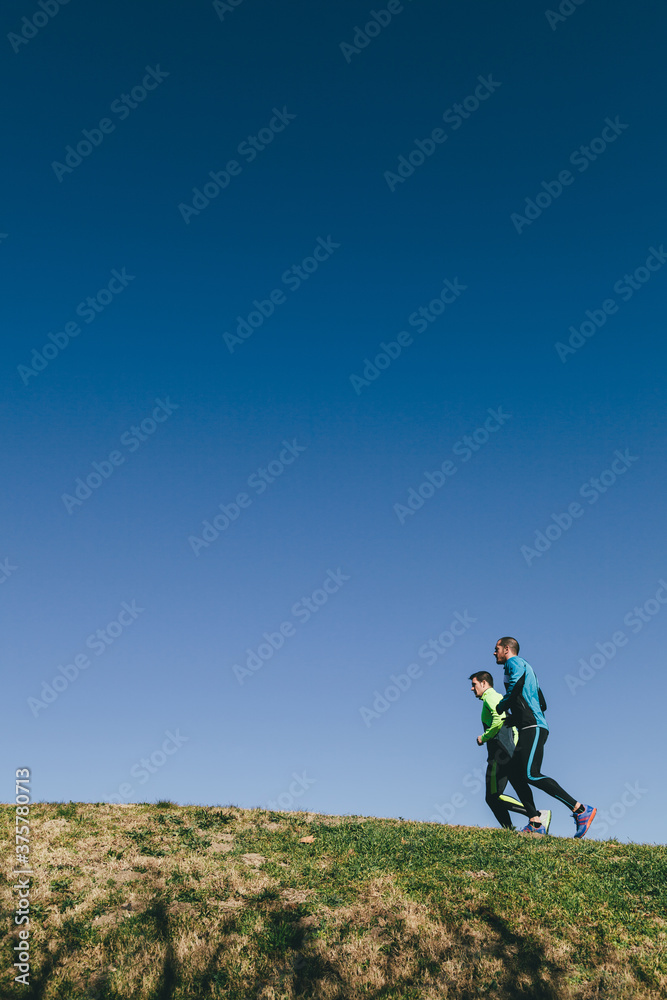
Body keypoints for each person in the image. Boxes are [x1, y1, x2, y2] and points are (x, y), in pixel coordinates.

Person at [494, 637, 596, 838]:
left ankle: (580, 809)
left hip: (533, 727)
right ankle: (535, 821)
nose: (494, 653)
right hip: (530, 725)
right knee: (515, 773)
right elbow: (542, 702)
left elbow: (516, 685)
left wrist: (502, 705)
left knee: (531, 774)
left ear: (506, 649)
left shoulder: (514, 663)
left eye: (496, 649)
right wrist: (517, 717)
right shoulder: (528, 669)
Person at [470, 671, 551, 833]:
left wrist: (484, 737)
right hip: (506, 750)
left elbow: (499, 719)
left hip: (499, 752)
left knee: (493, 796)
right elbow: (511, 725)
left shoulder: (490, 697)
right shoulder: (496, 697)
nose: (472, 689)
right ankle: (514, 828)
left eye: (474, 684)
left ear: (484, 683)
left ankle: (536, 816)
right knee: (499, 794)